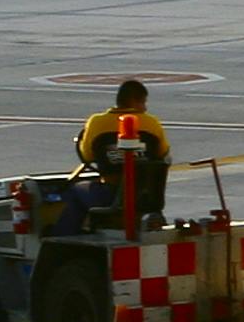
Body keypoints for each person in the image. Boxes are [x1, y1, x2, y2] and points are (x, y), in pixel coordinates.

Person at [68, 80, 172, 233]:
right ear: (135, 101)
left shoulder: (96, 123)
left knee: (74, 190)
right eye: (143, 102)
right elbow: (162, 154)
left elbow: (87, 155)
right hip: (146, 195)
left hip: (111, 195)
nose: (145, 107)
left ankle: (69, 237)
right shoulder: (152, 123)